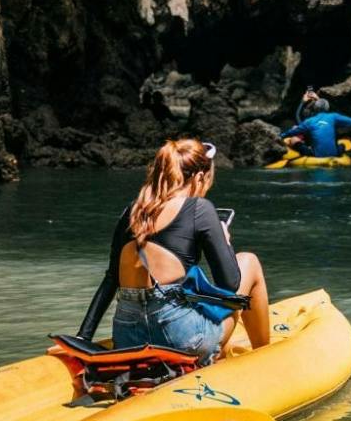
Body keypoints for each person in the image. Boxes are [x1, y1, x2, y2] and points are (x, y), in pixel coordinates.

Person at [80, 139, 272, 360]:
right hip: (181, 340)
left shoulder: (132, 212)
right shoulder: (200, 209)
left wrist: (83, 337)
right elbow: (230, 285)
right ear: (199, 177)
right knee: (249, 261)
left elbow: (111, 278)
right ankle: (264, 358)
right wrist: (225, 241)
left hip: (127, 339)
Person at [279, 108, 351, 159]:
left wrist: (281, 136)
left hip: (316, 155)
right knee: (343, 145)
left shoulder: (309, 121)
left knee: (294, 140)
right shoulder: (333, 116)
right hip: (335, 154)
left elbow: (293, 132)